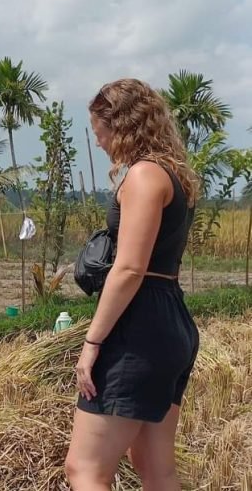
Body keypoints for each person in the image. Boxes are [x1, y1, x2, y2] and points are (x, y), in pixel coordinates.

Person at [64, 79, 199, 490]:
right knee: (155, 468)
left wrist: (92, 343)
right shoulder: (175, 176)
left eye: (98, 131)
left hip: (139, 325)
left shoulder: (143, 176)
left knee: (85, 469)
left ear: (119, 124)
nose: (99, 141)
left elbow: (128, 269)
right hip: (170, 321)